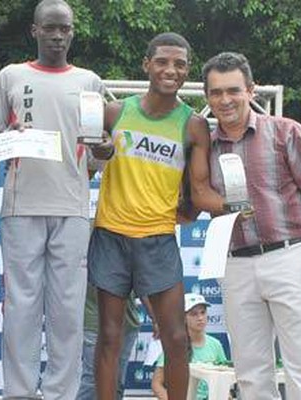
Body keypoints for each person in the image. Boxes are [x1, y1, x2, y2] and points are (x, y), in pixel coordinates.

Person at [88, 32, 221, 400]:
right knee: (111, 337)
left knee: (177, 338)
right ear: (146, 64)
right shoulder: (115, 112)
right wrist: (98, 155)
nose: (170, 69)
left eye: (179, 64)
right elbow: (84, 168)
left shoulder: (193, 125)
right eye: (162, 61)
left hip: (159, 239)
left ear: (187, 71)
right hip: (110, 236)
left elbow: (199, 191)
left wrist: (238, 206)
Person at [203, 51, 301, 399]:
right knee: (249, 373)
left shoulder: (285, 132)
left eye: (233, 90)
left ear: (251, 90)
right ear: (207, 98)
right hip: (235, 264)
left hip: (290, 258)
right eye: (216, 92)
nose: (225, 100)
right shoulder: (204, 146)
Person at [0, 0, 104, 397]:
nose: (58, 36)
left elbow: (95, 151)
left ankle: (60, 393)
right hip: (21, 208)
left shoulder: (90, 81)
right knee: (21, 309)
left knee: (68, 313)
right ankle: (18, 392)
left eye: (65, 28)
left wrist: (103, 152)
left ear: (73, 32)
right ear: (34, 31)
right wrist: (8, 146)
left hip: (71, 208)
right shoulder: (10, 76)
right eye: (50, 28)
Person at [76, 286, 155, 400]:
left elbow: (141, 281)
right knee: (93, 380)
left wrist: (154, 317)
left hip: (126, 323)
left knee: (117, 381)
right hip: (95, 321)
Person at [151, 293, 227, 400]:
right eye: (193, 314)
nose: (200, 318)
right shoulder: (175, 345)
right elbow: (156, 384)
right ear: (184, 318)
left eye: (203, 312)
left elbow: (224, 379)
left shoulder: (216, 344)